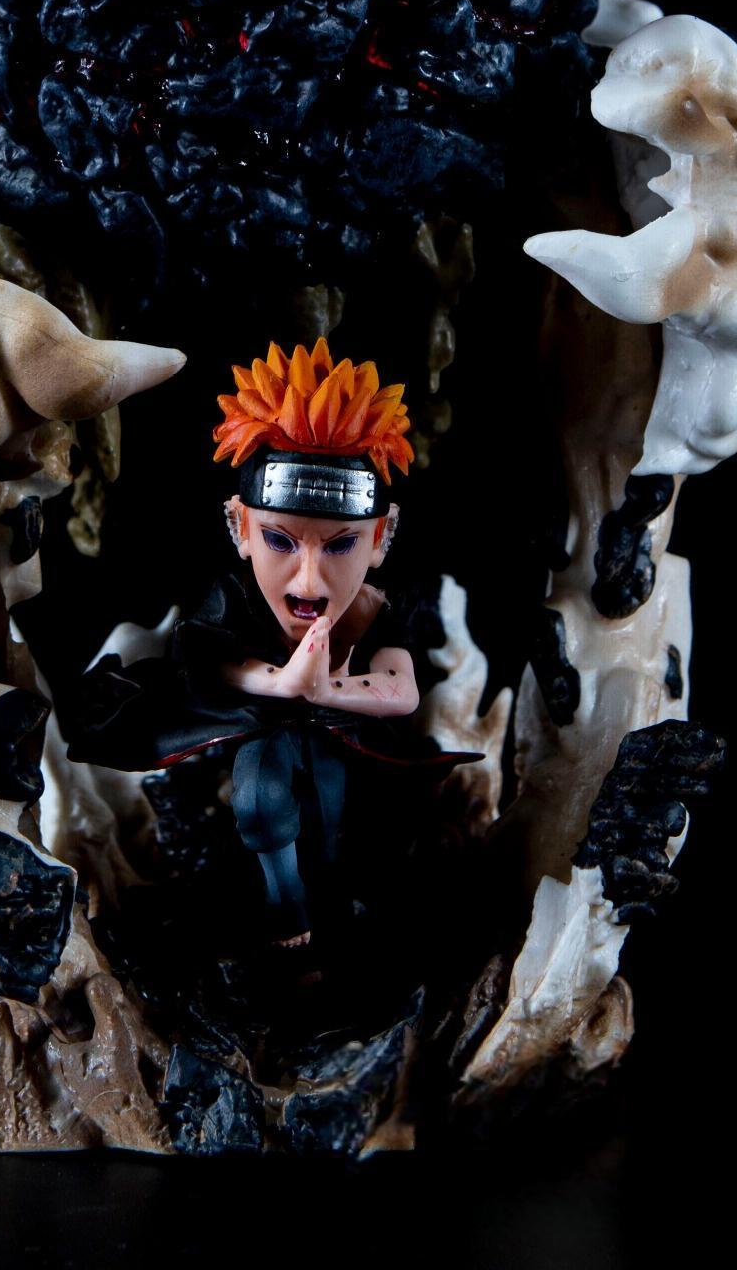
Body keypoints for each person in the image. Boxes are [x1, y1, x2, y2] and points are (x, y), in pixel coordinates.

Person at [65, 339, 478, 947]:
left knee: (347, 822)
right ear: (240, 527)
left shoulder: (373, 608)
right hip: (261, 733)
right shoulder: (235, 601)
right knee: (260, 804)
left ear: (380, 538)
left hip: (345, 743)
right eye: (280, 541)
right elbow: (205, 660)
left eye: (340, 545)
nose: (308, 581)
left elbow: (401, 686)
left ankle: (337, 911)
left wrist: (327, 689)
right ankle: (288, 915)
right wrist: (280, 682)